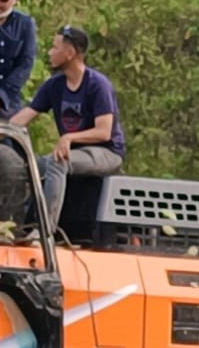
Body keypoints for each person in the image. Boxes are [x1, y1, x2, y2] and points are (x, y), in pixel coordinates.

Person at [7, 25, 125, 228]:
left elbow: (104, 132)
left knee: (57, 162)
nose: (50, 53)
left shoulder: (98, 85)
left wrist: (69, 138)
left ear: (70, 53)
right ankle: (14, 225)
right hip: (73, 153)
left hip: (107, 153)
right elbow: (23, 117)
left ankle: (45, 230)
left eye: (55, 47)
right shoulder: (54, 85)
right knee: (27, 165)